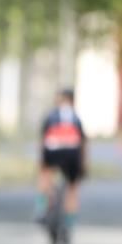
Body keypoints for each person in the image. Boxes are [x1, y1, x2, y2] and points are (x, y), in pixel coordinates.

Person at [36, 88, 87, 234]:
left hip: (52, 151)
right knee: (72, 187)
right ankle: (70, 221)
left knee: (45, 174)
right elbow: (83, 143)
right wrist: (83, 164)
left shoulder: (51, 116)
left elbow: (43, 140)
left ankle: (41, 207)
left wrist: (42, 162)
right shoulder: (76, 117)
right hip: (72, 153)